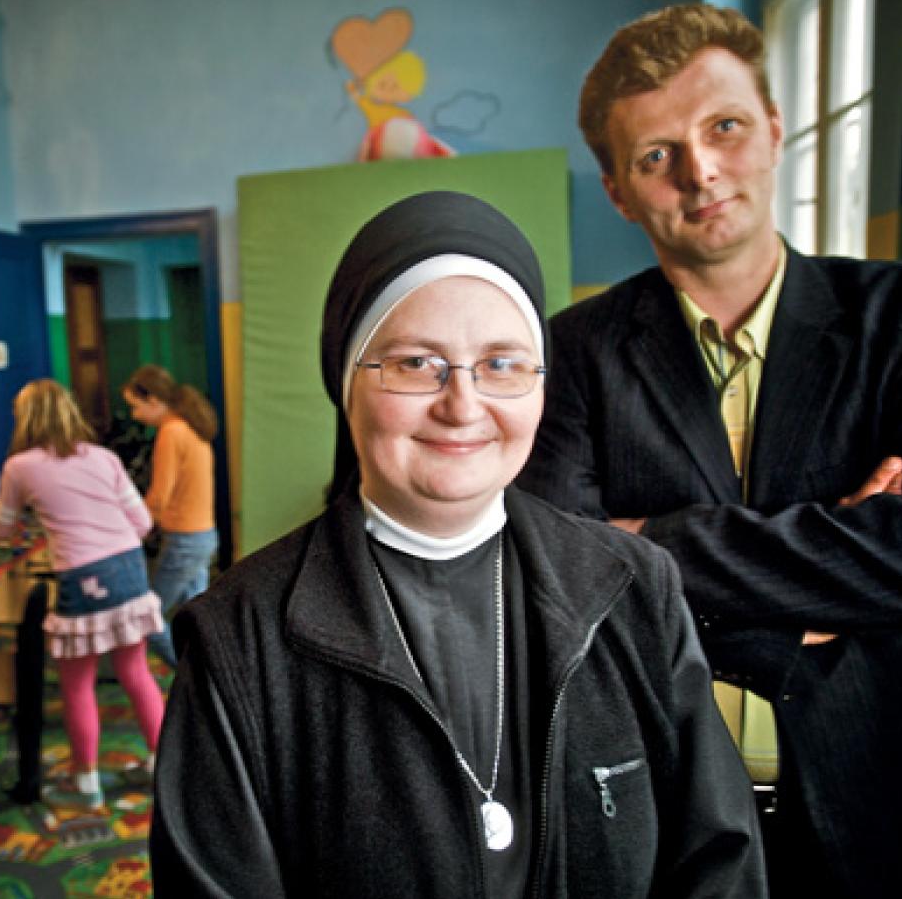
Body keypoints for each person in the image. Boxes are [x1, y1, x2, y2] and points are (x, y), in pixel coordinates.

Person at [517, 6, 902, 898]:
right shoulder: (569, 355)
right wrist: (823, 582)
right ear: (618, 191)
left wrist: (644, 540)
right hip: (674, 819)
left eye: (725, 127)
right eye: (656, 155)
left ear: (776, 129)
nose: (701, 171)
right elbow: (559, 579)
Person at [150, 190, 764, 897]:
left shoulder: (635, 588)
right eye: (416, 363)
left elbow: (720, 859)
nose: (463, 406)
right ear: (346, 383)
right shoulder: (236, 637)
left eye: (502, 364)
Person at [0, 379, 165, 809]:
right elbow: (142, 523)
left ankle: (86, 783)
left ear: (25, 419)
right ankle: (162, 765)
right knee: (136, 672)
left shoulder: (19, 466)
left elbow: (0, 530)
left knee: (77, 684)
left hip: (82, 573)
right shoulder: (103, 457)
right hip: (129, 565)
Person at [120, 364, 219, 669]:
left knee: (145, 616)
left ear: (153, 400)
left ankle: (193, 678)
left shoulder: (171, 432)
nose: (135, 415)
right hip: (203, 536)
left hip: (185, 540)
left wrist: (131, 530)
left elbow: (160, 495)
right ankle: (209, 675)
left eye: (136, 406)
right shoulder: (191, 426)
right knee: (200, 619)